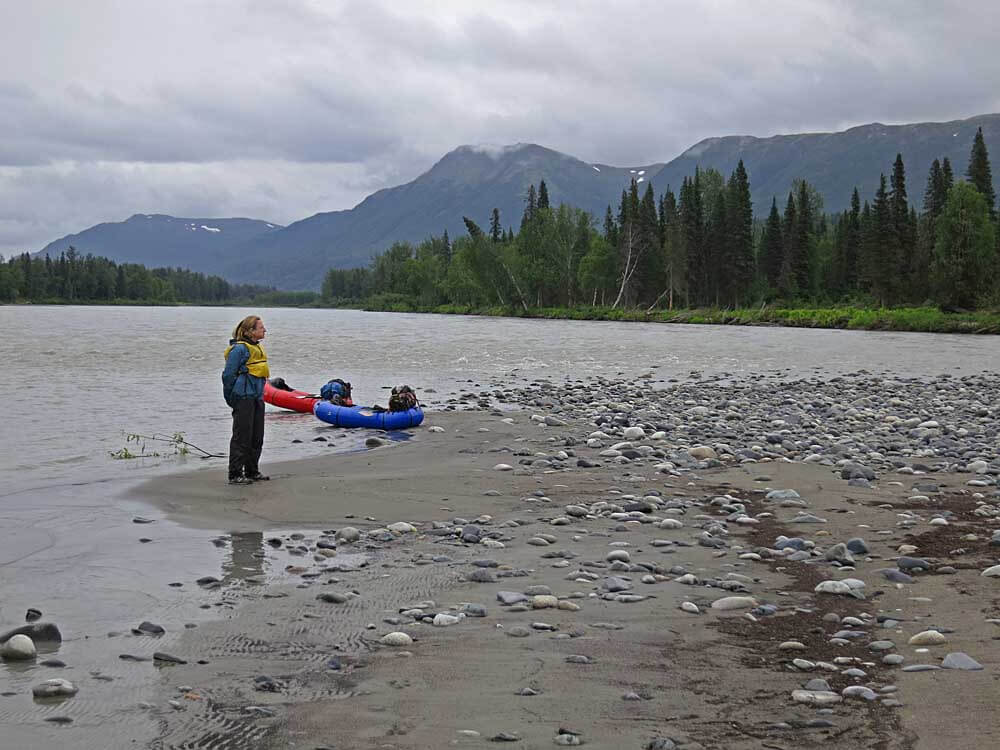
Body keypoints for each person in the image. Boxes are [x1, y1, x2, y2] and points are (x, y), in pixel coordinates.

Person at [222, 315, 270, 485]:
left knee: (257, 436)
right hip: (243, 397)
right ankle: (235, 474)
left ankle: (252, 471)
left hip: (257, 397)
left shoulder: (258, 347)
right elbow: (228, 375)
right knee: (242, 436)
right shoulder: (239, 350)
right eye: (261, 327)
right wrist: (232, 397)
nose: (264, 330)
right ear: (250, 331)